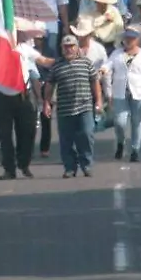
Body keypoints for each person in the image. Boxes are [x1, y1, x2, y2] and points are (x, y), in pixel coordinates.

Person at [48, 34, 103, 177]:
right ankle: (70, 167)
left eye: (71, 46)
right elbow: (50, 84)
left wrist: (98, 101)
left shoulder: (86, 63)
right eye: (66, 47)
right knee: (66, 140)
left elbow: (94, 81)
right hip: (64, 109)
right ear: (62, 48)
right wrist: (46, 103)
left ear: (77, 47)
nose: (68, 50)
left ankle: (87, 164)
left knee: (86, 134)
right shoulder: (57, 65)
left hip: (84, 107)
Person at [107, 28, 141, 162]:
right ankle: (120, 142)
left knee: (136, 121)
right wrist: (103, 70)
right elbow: (108, 65)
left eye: (132, 38)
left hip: (139, 92)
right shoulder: (117, 54)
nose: (129, 41)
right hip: (120, 91)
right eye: (126, 38)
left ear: (137, 39)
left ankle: (135, 149)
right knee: (120, 121)